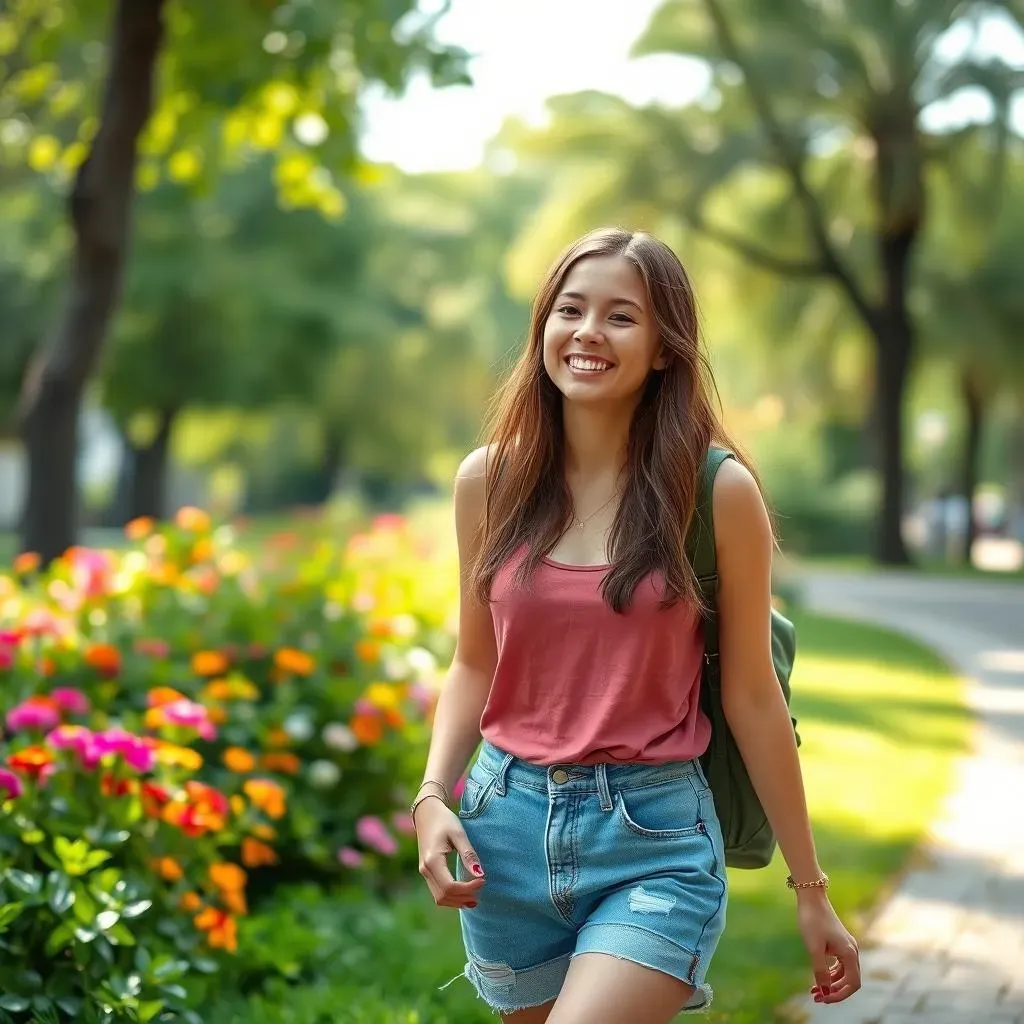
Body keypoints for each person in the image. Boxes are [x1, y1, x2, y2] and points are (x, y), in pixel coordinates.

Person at [411, 227, 861, 1023]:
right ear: (543, 326)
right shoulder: (490, 481)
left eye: (621, 317)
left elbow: (755, 698)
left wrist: (811, 890)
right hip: (504, 832)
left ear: (663, 348)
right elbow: (474, 663)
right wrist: (431, 797)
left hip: (651, 836)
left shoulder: (717, 493)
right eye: (570, 310)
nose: (587, 333)